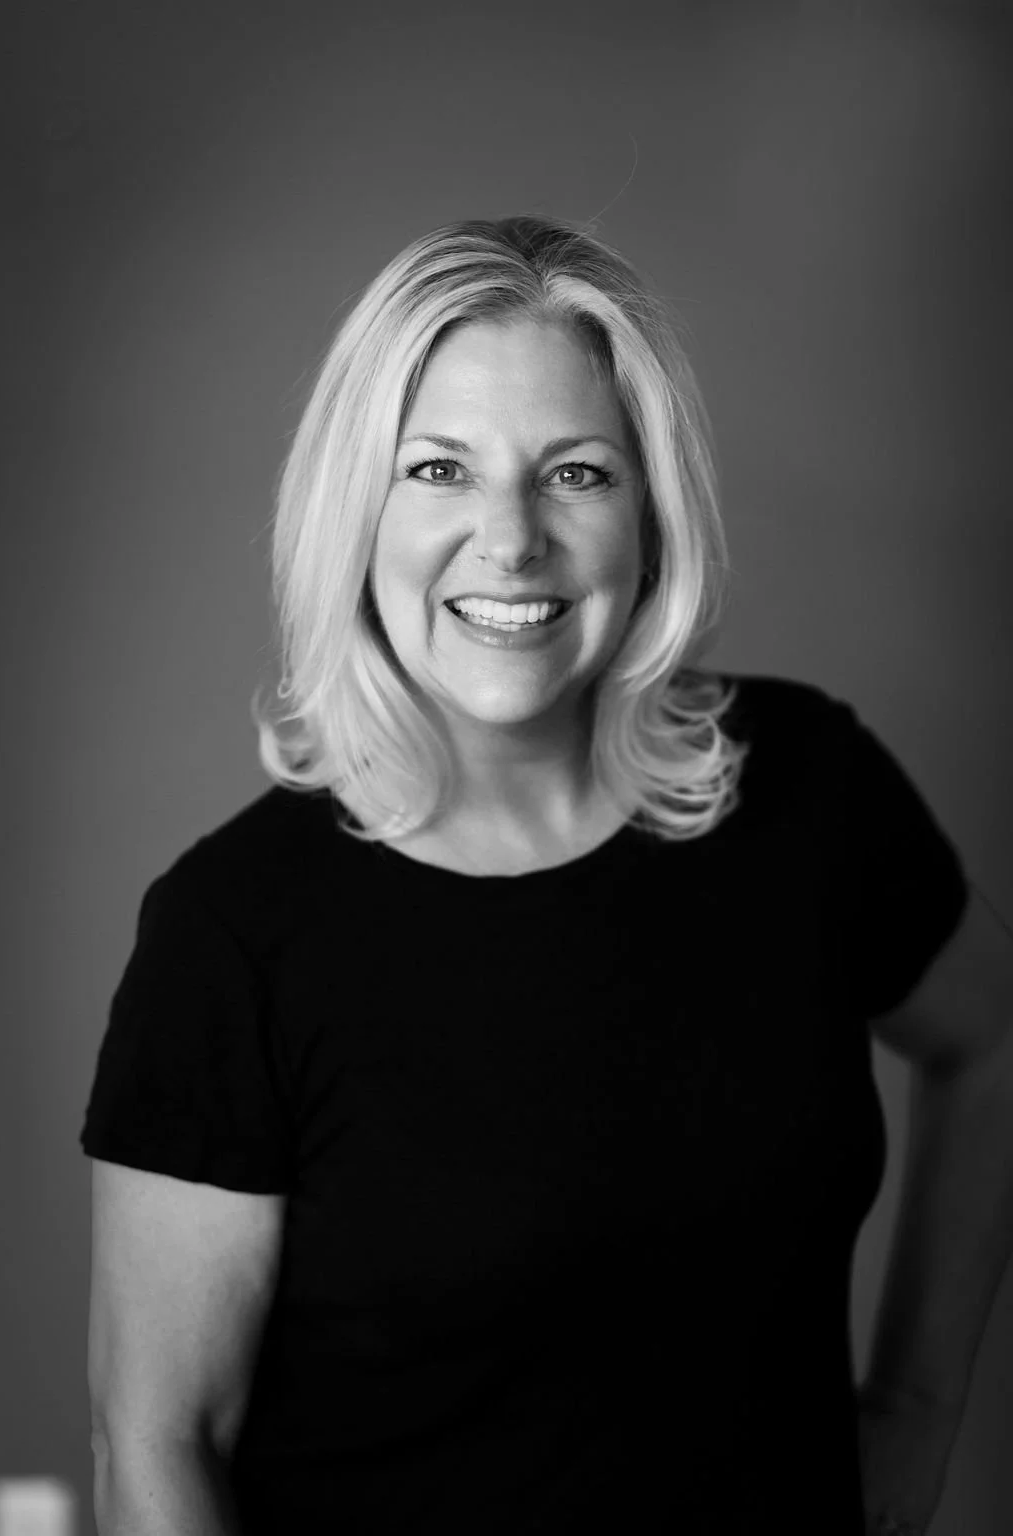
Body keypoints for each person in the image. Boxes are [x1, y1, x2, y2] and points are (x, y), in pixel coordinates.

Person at [81, 214, 1013, 1535]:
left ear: (652, 514)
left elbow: (993, 1035)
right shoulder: (232, 937)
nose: (509, 539)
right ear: (358, 510)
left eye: (576, 473)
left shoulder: (811, 789)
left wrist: (909, 1422)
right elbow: (158, 1443)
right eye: (439, 469)